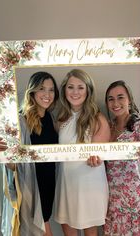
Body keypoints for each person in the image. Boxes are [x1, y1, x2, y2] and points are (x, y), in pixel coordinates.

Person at [88, 80, 140, 236]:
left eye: (121, 97)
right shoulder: (108, 126)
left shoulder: (139, 126)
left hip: (131, 197)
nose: (116, 103)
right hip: (110, 197)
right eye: (111, 99)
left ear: (129, 100)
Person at [0, 71, 59, 236]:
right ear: (32, 91)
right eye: (42, 89)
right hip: (31, 186)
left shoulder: (50, 118)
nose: (47, 94)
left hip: (47, 186)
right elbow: (15, 166)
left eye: (51, 90)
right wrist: (3, 155)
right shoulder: (21, 121)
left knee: (43, 226)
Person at [54, 69, 111, 236]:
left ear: (88, 90)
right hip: (66, 182)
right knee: (68, 229)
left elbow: (100, 155)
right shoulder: (61, 118)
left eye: (80, 87)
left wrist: (97, 158)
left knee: (90, 231)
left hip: (89, 184)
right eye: (70, 87)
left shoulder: (97, 118)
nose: (75, 92)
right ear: (64, 90)